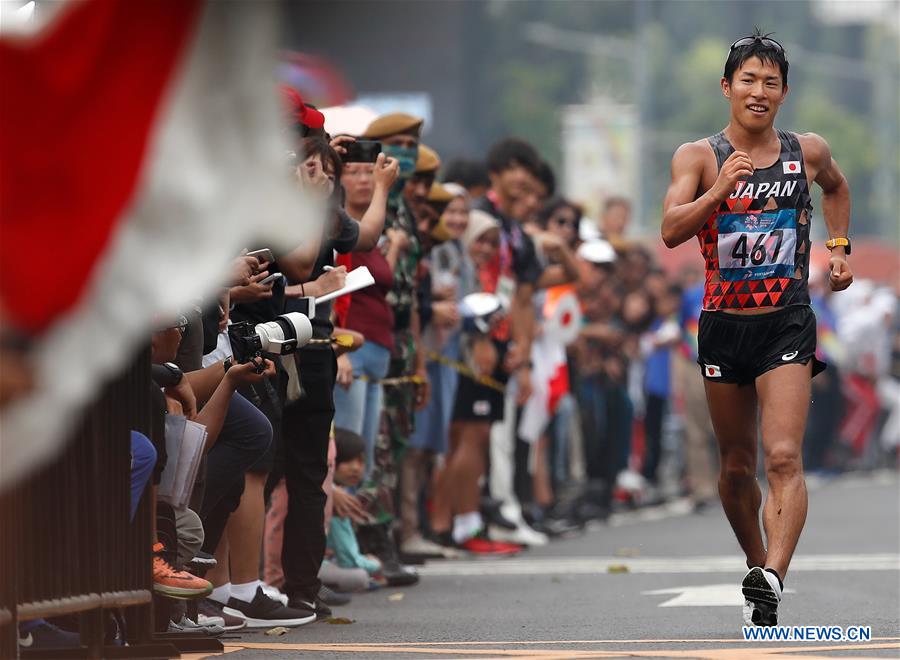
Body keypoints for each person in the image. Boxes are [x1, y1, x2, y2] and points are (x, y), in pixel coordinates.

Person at [661, 31, 853, 627]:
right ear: (727, 87)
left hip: (787, 325)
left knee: (782, 457)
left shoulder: (808, 150)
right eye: (748, 80)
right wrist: (719, 189)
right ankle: (757, 568)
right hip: (723, 326)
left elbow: (838, 190)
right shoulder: (697, 156)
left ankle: (774, 572)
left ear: (784, 92)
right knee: (737, 466)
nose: (759, 91)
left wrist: (840, 248)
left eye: (771, 82)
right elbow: (669, 230)